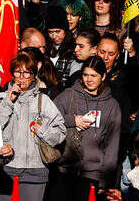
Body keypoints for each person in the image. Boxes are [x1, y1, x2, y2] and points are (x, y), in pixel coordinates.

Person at [0, 52, 68, 201]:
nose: (21, 77)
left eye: (27, 73)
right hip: (5, 169)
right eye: (17, 71)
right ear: (12, 74)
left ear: (34, 75)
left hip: (35, 171)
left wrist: (43, 130)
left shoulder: (43, 100)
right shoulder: (0, 99)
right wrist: (8, 103)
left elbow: (61, 133)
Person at [53, 57, 123, 201]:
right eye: (85, 75)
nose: (89, 79)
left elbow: (112, 146)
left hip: (92, 174)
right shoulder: (68, 95)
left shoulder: (111, 105)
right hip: (65, 170)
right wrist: (72, 120)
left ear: (103, 76)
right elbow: (49, 119)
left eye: (94, 75)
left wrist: (105, 181)